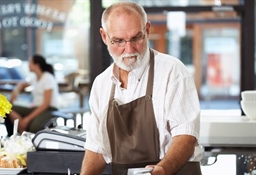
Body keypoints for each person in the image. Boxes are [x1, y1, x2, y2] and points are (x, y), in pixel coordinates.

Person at [80, 2, 203, 175]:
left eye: (136, 38)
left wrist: (162, 169)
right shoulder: (101, 84)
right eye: (119, 41)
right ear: (104, 36)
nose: (129, 49)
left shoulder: (173, 72)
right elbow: (97, 148)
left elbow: (186, 136)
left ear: (147, 30)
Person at [5, 54, 61, 136]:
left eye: (30, 63)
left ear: (36, 65)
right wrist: (16, 90)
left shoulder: (48, 78)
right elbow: (23, 84)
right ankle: (21, 129)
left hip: (49, 109)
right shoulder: (35, 78)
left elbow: (46, 104)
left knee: (33, 128)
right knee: (8, 107)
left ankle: (22, 129)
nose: (28, 65)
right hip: (36, 107)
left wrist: (27, 119)